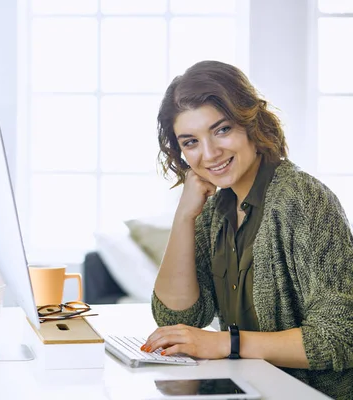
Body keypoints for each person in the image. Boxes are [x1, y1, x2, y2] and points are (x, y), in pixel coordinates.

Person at [141, 60, 353, 399]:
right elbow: (177, 317)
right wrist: (184, 216)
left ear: (251, 122)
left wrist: (226, 343)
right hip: (250, 390)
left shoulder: (301, 199)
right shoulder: (214, 210)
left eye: (221, 129)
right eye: (190, 142)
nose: (209, 154)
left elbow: (341, 336)